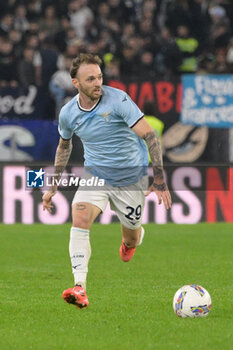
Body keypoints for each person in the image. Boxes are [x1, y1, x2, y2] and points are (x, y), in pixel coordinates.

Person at [42, 53, 172, 309]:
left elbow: (151, 137)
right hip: (96, 175)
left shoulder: (119, 100)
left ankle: (131, 240)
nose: (98, 82)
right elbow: (63, 147)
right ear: (75, 83)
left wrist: (159, 178)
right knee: (79, 215)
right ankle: (80, 287)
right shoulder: (68, 113)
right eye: (90, 78)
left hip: (130, 178)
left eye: (100, 76)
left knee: (132, 237)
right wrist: (53, 184)